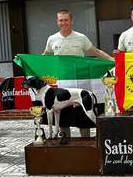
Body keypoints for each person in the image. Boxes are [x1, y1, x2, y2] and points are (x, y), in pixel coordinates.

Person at [43, 10, 114, 138]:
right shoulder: (52, 39)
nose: (63, 22)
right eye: (60, 20)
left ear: (71, 21)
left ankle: (86, 144)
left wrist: (112, 60)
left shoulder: (81, 37)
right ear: (57, 21)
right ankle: (65, 145)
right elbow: (45, 56)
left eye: (66, 20)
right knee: (64, 118)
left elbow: (95, 51)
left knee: (84, 119)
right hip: (62, 84)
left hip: (81, 84)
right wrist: (27, 62)